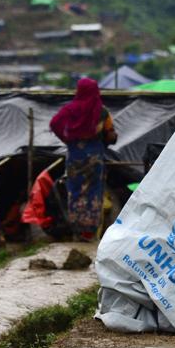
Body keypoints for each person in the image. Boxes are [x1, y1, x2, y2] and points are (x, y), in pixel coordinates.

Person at [49, 77, 117, 237]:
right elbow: (110, 133)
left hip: (75, 155)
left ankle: (77, 229)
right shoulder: (102, 111)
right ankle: (91, 231)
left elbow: (54, 123)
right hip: (95, 155)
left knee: (75, 190)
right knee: (94, 190)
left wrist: (66, 139)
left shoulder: (69, 109)